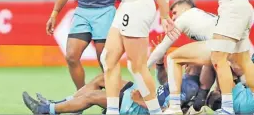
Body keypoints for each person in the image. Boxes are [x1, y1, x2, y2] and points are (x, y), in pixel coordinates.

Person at [21, 59, 201, 115]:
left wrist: (141, 102)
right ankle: (65, 104)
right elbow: (164, 88)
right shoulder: (184, 77)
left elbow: (170, 111)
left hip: (139, 106)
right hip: (141, 94)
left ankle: (46, 109)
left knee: (93, 98)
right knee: (102, 79)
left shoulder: (190, 86)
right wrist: (161, 66)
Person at [146, 0, 219, 111]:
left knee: (173, 58)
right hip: (227, 44)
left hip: (151, 107)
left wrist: (144, 68)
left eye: (175, 13)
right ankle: (204, 98)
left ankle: (175, 107)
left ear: (185, 9)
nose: (173, 18)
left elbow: (162, 47)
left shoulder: (186, 16)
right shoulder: (204, 18)